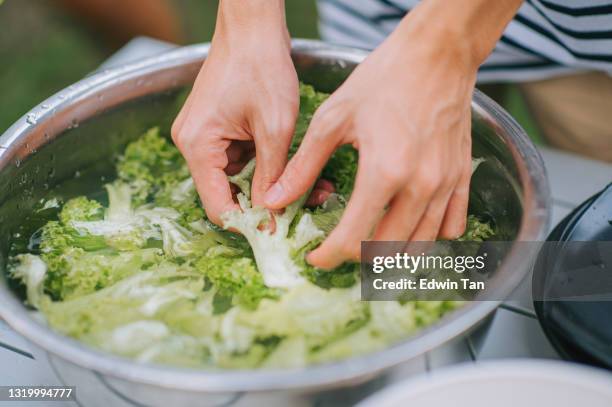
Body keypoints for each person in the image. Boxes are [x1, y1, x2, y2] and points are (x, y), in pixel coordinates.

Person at [172, 0, 612, 270]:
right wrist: (249, 18)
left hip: (574, 33)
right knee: (390, 224)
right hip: (380, 12)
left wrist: (447, 43)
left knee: (590, 249)